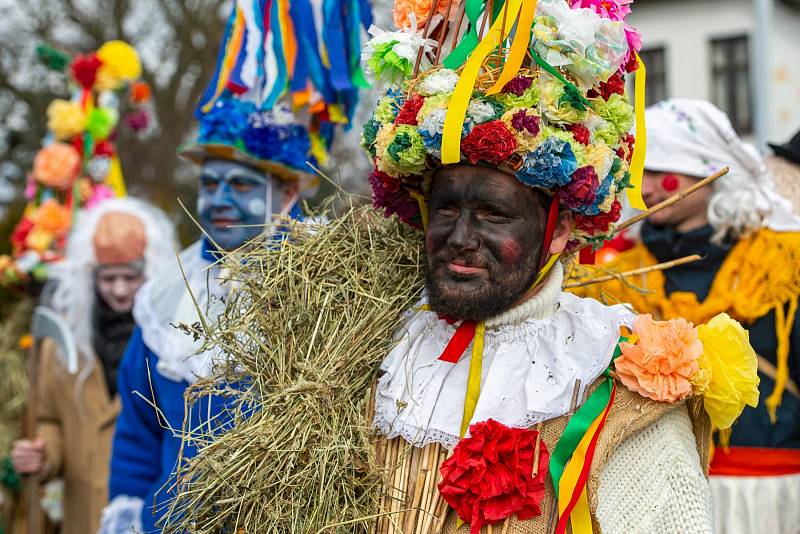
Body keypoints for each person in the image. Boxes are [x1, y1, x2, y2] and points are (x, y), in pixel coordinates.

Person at [576, 99, 800, 533]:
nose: (648, 187)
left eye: (661, 170)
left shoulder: (782, 263)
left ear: (710, 173)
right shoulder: (616, 275)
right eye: (641, 172)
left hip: (773, 488)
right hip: (660, 493)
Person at [10, 198, 174, 534]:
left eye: (131, 278)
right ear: (90, 276)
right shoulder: (62, 340)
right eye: (108, 278)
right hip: (82, 516)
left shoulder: (171, 344)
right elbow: (49, 418)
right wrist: (44, 455)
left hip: (150, 515)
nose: (119, 290)